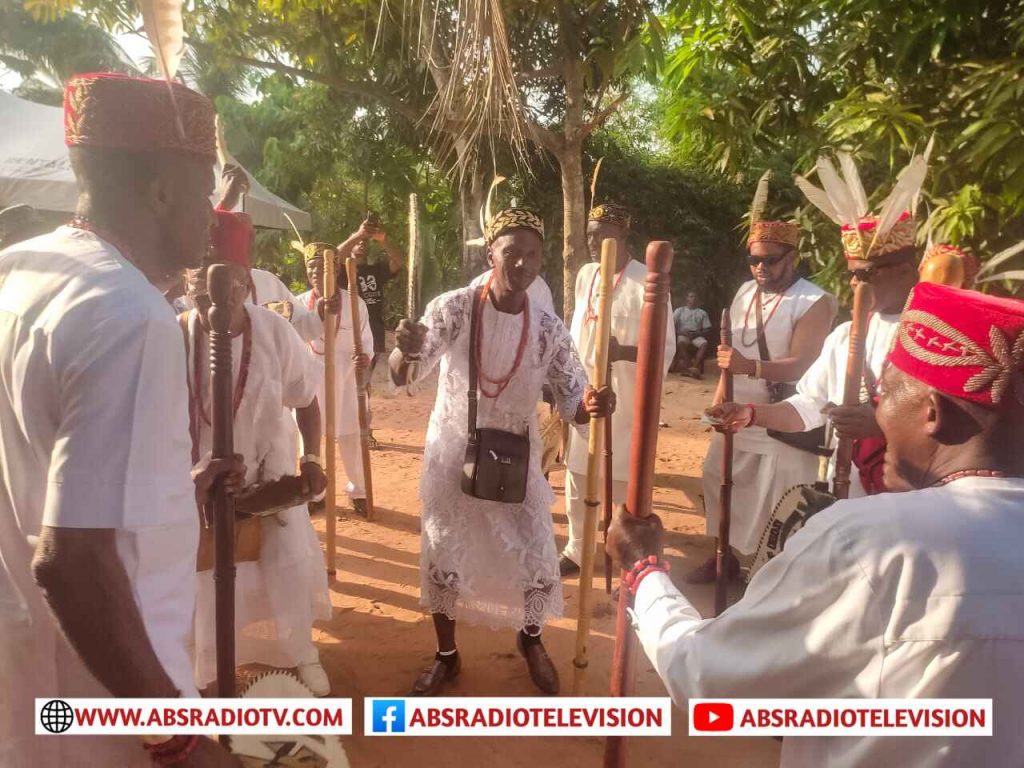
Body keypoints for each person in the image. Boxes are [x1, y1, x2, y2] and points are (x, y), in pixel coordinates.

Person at [607, 281, 1024, 767]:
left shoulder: (871, 543)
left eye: (884, 397)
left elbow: (704, 674)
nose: (876, 416)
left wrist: (643, 569)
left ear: (931, 413)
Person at [0, 73, 241, 766]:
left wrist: (175, 485)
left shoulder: (22, 274)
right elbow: (71, 560)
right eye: (203, 194)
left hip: (31, 685)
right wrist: (178, 739)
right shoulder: (130, 315)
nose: (212, 219)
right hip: (107, 712)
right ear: (162, 191)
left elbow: (42, 474)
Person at [389, 207, 613, 697]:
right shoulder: (453, 308)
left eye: (532, 255)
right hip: (453, 451)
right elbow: (409, 371)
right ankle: (446, 656)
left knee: (536, 554)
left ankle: (530, 638)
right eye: (512, 252)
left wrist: (593, 404)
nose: (522, 264)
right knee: (444, 554)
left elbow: (574, 401)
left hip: (517, 456)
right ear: (491, 253)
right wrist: (402, 349)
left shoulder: (549, 326)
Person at [711, 154, 924, 497]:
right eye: (853, 274)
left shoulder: (942, 337)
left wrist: (881, 423)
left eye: (868, 274)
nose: (857, 285)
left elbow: (965, 427)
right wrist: (750, 414)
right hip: (853, 490)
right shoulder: (845, 338)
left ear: (906, 272)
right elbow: (809, 405)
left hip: (917, 497)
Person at [183, 211, 332, 696]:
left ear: (247, 283)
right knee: (202, 587)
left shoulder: (273, 331)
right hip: (195, 492)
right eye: (204, 287)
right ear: (190, 283)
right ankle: (204, 673)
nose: (216, 299)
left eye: (228, 285)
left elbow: (306, 401)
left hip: (269, 485)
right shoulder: (172, 336)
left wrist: (312, 460)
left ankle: (301, 654)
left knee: (285, 568)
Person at [688, 215, 836, 583]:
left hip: (781, 418)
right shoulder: (744, 293)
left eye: (770, 260)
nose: (760, 267)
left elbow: (804, 364)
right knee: (719, 481)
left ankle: (768, 575)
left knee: (774, 500)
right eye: (754, 259)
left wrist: (749, 367)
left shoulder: (814, 301)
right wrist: (719, 399)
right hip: (736, 413)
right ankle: (724, 556)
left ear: (793, 257)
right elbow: (728, 356)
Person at [559, 202, 674, 578]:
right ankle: (577, 548)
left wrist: (621, 351)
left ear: (623, 235)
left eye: (602, 234)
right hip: (585, 390)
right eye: (590, 234)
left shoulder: (647, 280)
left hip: (625, 394)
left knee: (621, 473)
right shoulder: (586, 275)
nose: (593, 241)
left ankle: (622, 548)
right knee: (578, 470)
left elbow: (664, 346)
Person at [293, 243, 375, 518]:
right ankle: (317, 493)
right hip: (311, 379)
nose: (315, 273)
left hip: (347, 380)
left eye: (321, 267)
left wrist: (364, 358)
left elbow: (365, 342)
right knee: (312, 438)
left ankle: (360, 492)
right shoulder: (298, 302)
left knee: (352, 436)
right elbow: (291, 339)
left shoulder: (355, 302)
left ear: (336, 270)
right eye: (311, 268)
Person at [337, 216, 403, 449]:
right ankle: (349, 429)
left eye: (366, 242)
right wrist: (358, 234)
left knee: (362, 384)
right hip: (345, 334)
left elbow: (398, 260)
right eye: (359, 241)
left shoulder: (376, 271)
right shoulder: (342, 272)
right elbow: (333, 257)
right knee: (344, 383)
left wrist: (382, 239)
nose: (363, 244)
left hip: (371, 335)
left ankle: (363, 431)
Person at [671, 291, 713, 378]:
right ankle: (691, 367)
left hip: (696, 335)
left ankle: (694, 367)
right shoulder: (679, 311)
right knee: (681, 343)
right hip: (682, 334)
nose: (693, 299)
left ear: (697, 299)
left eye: (695, 297)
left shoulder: (702, 313)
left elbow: (707, 330)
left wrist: (696, 334)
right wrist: (681, 332)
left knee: (704, 344)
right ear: (687, 298)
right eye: (691, 296)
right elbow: (671, 326)